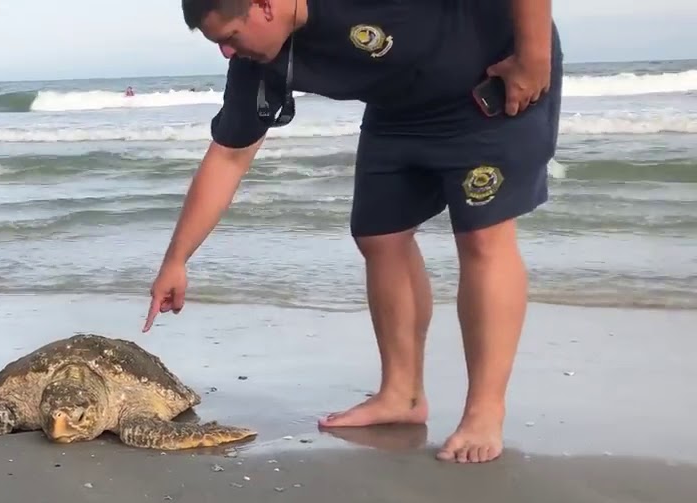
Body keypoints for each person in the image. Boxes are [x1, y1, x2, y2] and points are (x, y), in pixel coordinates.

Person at [143, 0, 561, 464]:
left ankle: (485, 411)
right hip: (399, 107)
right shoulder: (257, 61)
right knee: (379, 235)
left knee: (483, 236)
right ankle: (401, 395)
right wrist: (176, 259)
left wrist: (534, 54)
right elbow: (228, 156)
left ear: (264, 6)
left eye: (230, 36)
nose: (225, 52)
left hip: (492, 81)